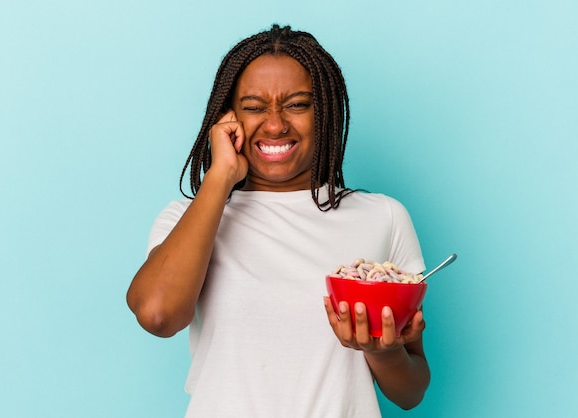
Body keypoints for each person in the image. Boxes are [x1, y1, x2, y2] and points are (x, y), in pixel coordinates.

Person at [127, 24, 430, 417]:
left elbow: (411, 392)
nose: (274, 125)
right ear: (227, 119)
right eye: (254, 107)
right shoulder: (189, 219)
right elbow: (157, 314)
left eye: (298, 104)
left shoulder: (382, 217)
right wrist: (220, 178)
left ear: (325, 113)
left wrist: (382, 353)